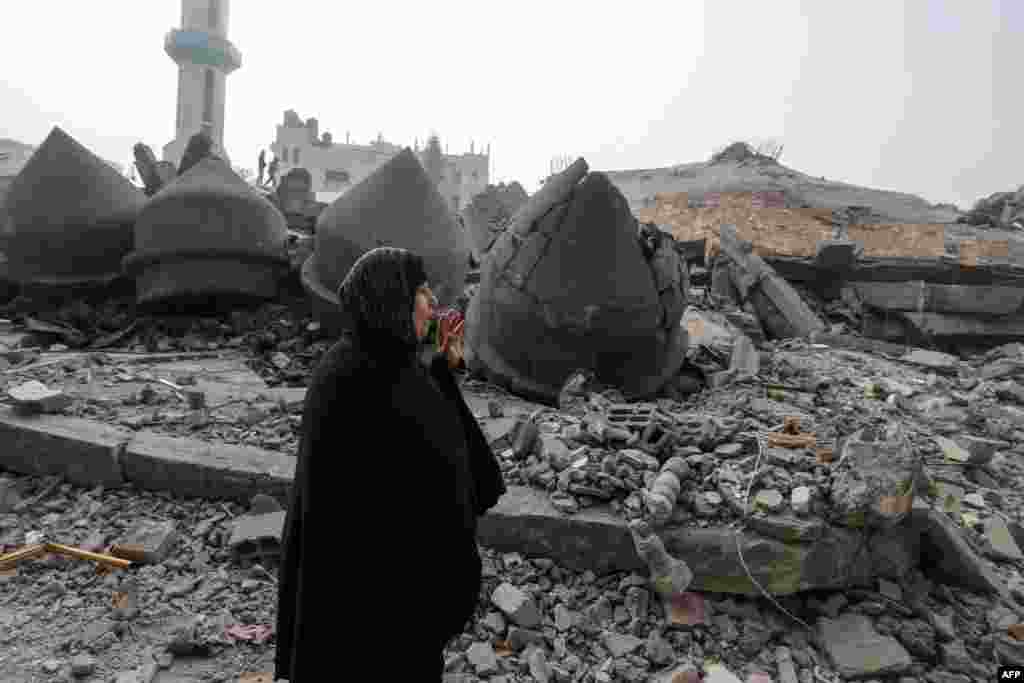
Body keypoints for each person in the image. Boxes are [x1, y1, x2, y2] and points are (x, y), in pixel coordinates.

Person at [274, 247, 506, 681]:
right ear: (391, 301)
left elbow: (450, 451)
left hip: (400, 589)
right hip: (364, 591)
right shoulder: (348, 377)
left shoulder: (400, 365)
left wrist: (441, 368)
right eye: (420, 291)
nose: (432, 301)